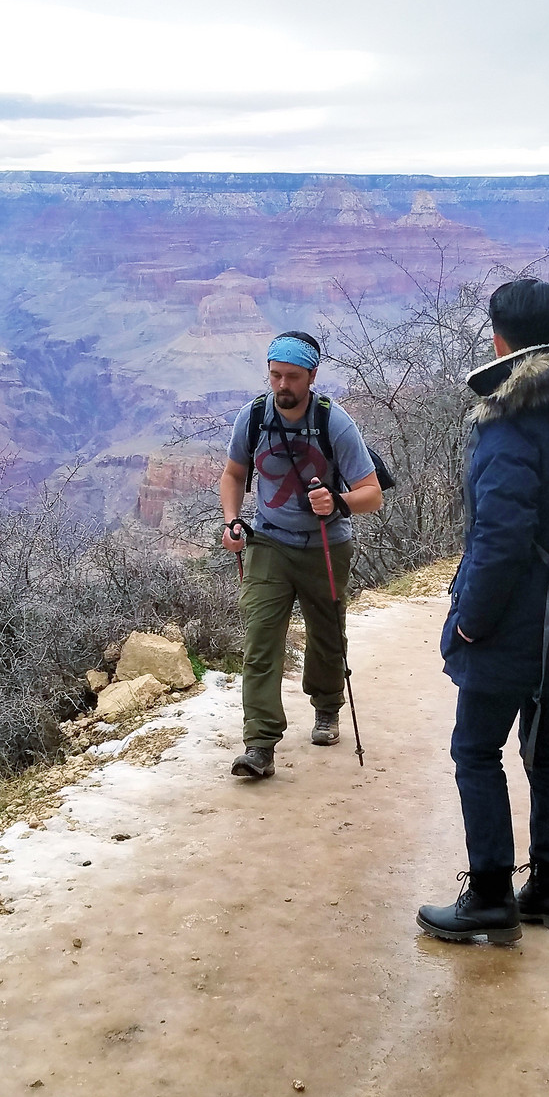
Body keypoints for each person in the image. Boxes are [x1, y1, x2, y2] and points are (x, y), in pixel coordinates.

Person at [417, 277, 549, 945]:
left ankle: (487, 896)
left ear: (500, 340)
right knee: (548, 751)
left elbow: (499, 541)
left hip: (514, 625)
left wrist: (470, 621)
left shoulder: (511, 422)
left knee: (475, 749)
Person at [220, 331, 383, 779]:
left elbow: (372, 493)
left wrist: (338, 502)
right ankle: (259, 744)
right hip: (269, 543)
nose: (282, 386)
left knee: (326, 637)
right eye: (275, 376)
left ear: (312, 376)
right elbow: (233, 474)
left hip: (326, 545)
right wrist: (232, 519)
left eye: (292, 377)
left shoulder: (335, 422)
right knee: (259, 642)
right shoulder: (253, 417)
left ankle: (327, 707)